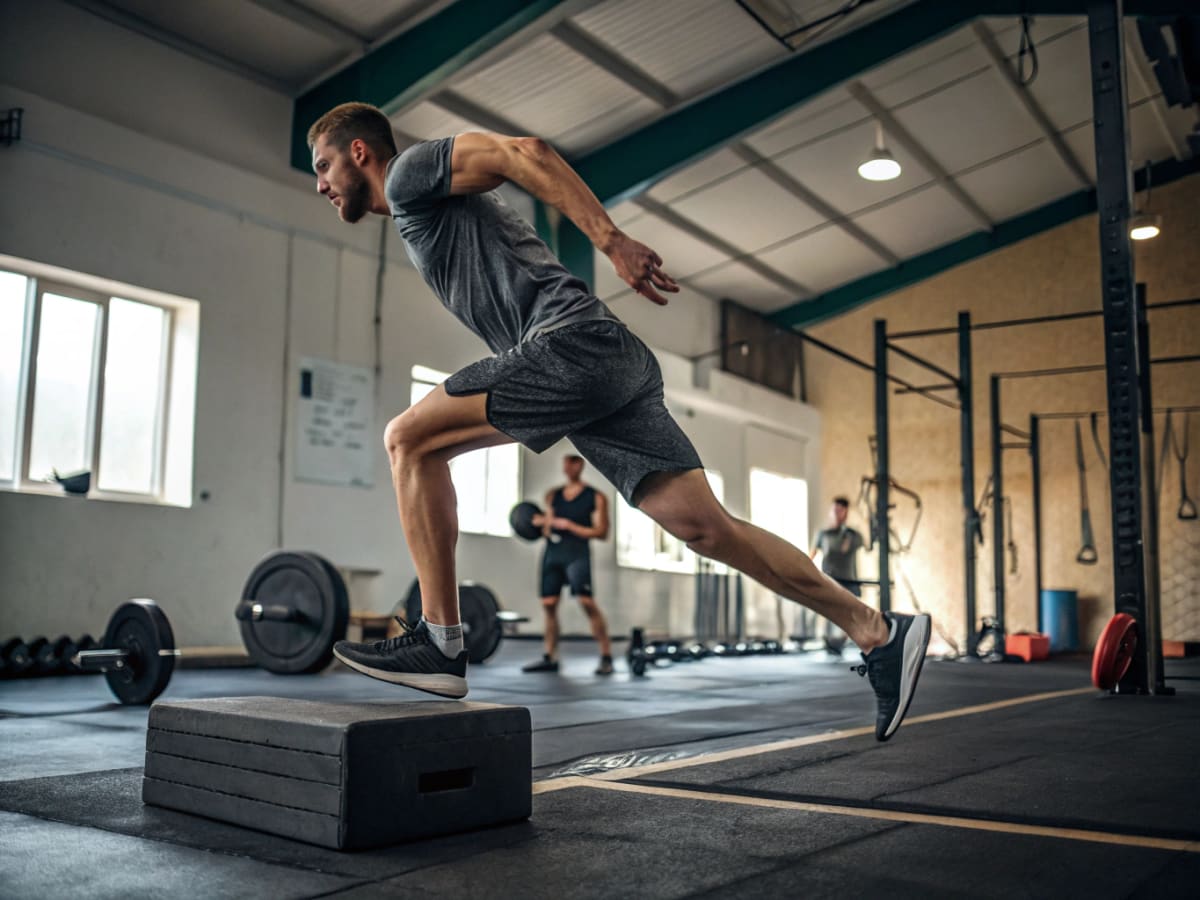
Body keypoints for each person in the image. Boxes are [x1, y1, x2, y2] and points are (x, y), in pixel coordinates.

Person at [317, 102, 930, 741]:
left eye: (324, 165)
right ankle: (877, 630)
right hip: (607, 362)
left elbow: (524, 152)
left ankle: (439, 640)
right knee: (707, 529)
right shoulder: (421, 207)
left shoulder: (412, 171)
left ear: (361, 152)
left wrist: (609, 241)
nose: (321, 184)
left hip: (572, 345)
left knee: (408, 441)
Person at [522, 454, 614, 676]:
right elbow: (546, 528)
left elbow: (601, 532)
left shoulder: (596, 497)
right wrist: (539, 522)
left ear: (580, 465)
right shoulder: (553, 496)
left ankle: (606, 656)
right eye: (565, 462)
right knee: (549, 604)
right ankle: (550, 656)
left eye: (573, 462)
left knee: (586, 602)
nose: (568, 467)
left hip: (577, 552)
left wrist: (570, 525)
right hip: (553, 552)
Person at [811, 496, 866, 652]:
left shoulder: (853, 535)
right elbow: (812, 555)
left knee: (848, 614)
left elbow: (845, 550)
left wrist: (846, 533)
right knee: (829, 612)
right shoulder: (823, 535)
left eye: (840, 510)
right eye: (834, 510)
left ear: (846, 513)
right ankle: (828, 641)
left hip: (848, 581)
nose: (836, 513)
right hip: (828, 580)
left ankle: (842, 640)